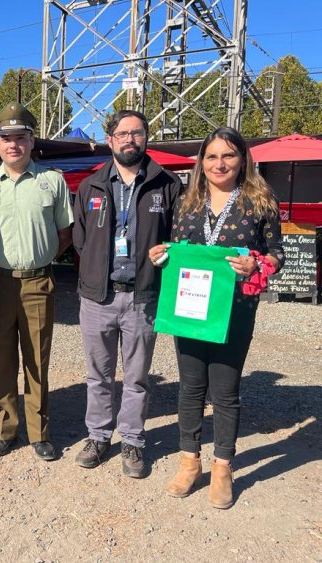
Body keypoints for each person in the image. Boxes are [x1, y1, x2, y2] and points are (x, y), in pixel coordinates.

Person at [149, 127, 284, 508]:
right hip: (189, 308)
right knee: (190, 387)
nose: (219, 164)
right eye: (211, 156)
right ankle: (189, 461)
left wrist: (257, 262)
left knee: (225, 391)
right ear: (201, 162)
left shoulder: (259, 201)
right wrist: (161, 255)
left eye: (227, 156)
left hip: (234, 310)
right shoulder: (189, 201)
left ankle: (222, 466)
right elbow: (176, 248)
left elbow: (277, 252)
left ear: (242, 159)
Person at [72, 110, 182, 478]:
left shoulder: (166, 185)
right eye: (122, 133)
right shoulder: (91, 186)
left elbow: (178, 239)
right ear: (110, 140)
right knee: (98, 375)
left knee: (136, 377)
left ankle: (133, 440)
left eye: (137, 133)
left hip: (143, 298)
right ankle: (99, 436)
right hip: (97, 298)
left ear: (146, 138)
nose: (130, 139)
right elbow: (81, 239)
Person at [0, 102, 74, 461]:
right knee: (1, 360)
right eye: (6, 138)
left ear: (32, 141)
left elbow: (65, 233)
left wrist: (40, 258)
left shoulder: (53, 181)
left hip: (37, 283)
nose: (12, 144)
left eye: (20, 137)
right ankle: (5, 429)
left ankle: (39, 432)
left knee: (36, 360)